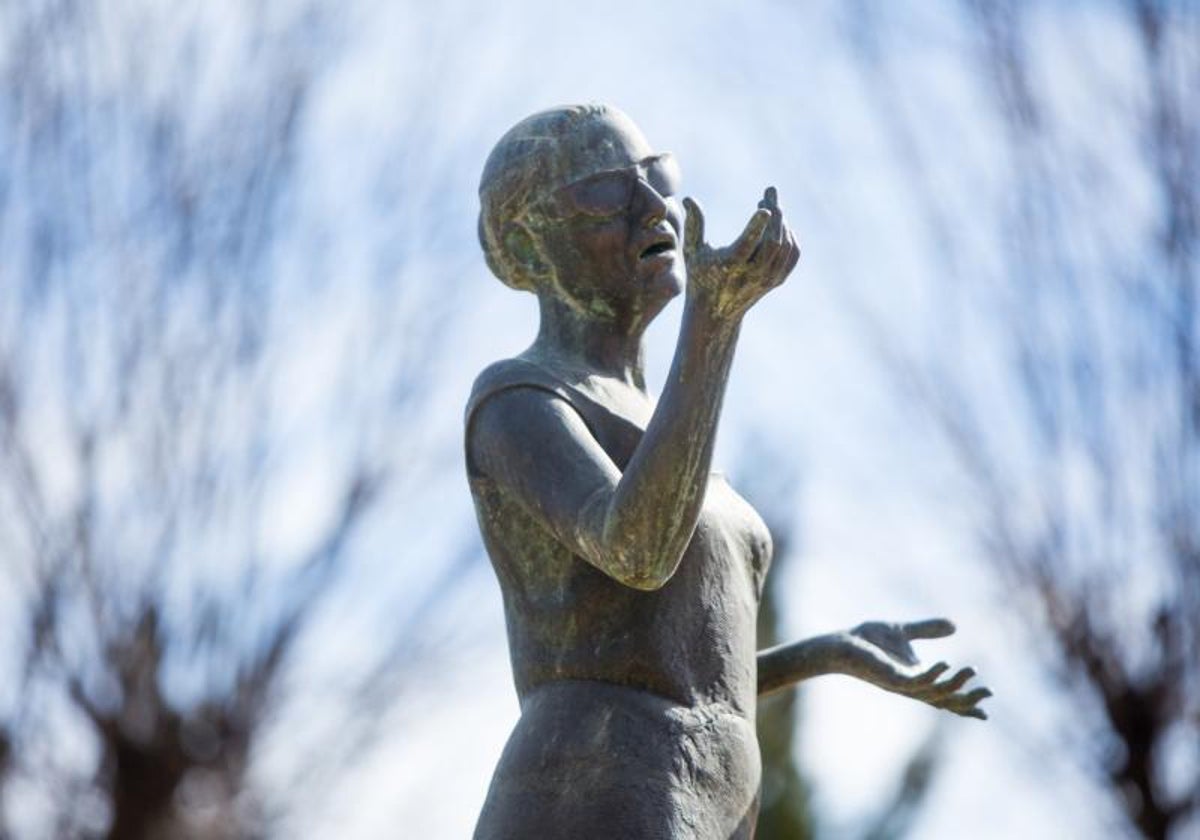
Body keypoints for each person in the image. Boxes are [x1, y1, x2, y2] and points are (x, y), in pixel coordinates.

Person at [466, 104, 989, 839]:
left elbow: (671, 663)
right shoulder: (520, 399)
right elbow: (638, 553)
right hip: (594, 797)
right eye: (609, 193)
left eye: (659, 178)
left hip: (697, 802)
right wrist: (713, 323)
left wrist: (830, 652)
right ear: (528, 240)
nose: (656, 208)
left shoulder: (662, 422)